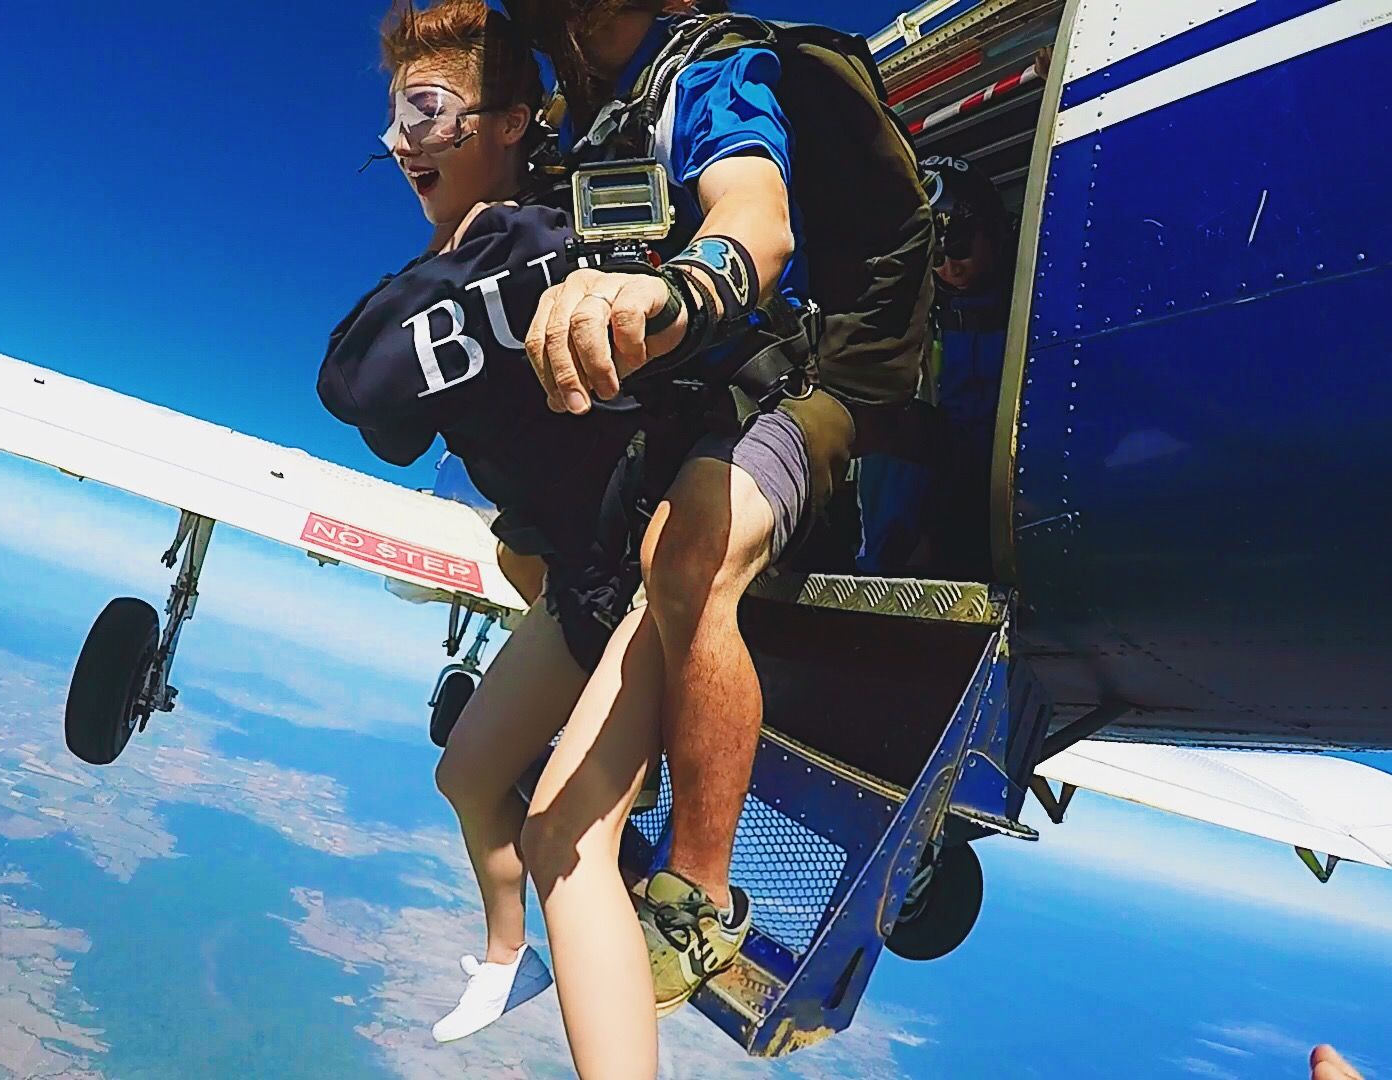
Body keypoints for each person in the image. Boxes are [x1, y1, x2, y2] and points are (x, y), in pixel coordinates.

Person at [502, 0, 935, 1055]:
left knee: (688, 549)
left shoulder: (708, 72)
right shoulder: (589, 115)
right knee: (527, 540)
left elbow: (756, 214)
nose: (571, 26)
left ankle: (699, 896)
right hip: (702, 400)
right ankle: (644, 738)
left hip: (812, 378)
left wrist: (685, 284)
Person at [318, 0, 676, 1048]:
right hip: (583, 579)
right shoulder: (476, 253)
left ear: (511, 121)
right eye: (394, 121)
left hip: (656, 570)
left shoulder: (540, 240)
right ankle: (506, 958)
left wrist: (448, 277)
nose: (399, 145)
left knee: (567, 841)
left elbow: (359, 382)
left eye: (427, 114)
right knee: (466, 773)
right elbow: (381, 399)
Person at [857, 154, 1014, 580]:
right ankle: (881, 570)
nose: (950, 265)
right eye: (936, 253)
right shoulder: (921, 306)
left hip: (1011, 460)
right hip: (955, 461)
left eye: (960, 245)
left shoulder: (1029, 291)